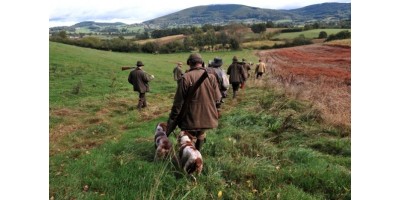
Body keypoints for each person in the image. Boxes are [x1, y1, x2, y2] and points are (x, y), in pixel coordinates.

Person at [166, 53, 221, 151]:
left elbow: (178, 102)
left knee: (189, 138)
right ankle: (198, 154)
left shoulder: (185, 77)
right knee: (201, 134)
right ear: (202, 63)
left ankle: (190, 159)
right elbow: (218, 98)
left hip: (190, 117)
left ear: (189, 63)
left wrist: (172, 119)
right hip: (207, 116)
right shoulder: (211, 77)